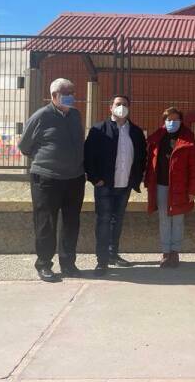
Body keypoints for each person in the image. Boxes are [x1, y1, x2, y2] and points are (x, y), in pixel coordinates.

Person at [18, 78, 85, 282]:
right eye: (66, 93)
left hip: (74, 178)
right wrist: (46, 160)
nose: (71, 96)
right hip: (47, 179)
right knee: (46, 223)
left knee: (71, 222)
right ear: (54, 95)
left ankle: (68, 263)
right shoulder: (41, 116)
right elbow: (24, 146)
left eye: (72, 92)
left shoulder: (75, 115)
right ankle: (44, 264)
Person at [84, 95, 147, 277]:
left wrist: (136, 178)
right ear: (110, 107)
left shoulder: (135, 131)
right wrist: (95, 179)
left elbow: (142, 156)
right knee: (103, 221)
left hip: (124, 185)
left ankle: (113, 254)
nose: (122, 107)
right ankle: (102, 261)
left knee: (117, 220)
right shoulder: (98, 129)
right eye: (118, 104)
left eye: (125, 104)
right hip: (105, 185)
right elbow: (88, 156)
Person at [144, 107, 195, 268]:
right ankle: (165, 252)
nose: (172, 122)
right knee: (164, 220)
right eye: (168, 120)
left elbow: (194, 168)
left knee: (178, 220)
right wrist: (148, 182)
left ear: (181, 121)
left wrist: (192, 190)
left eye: (175, 119)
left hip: (180, 187)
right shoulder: (157, 138)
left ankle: (175, 252)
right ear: (164, 121)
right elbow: (150, 162)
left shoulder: (188, 140)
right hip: (161, 186)